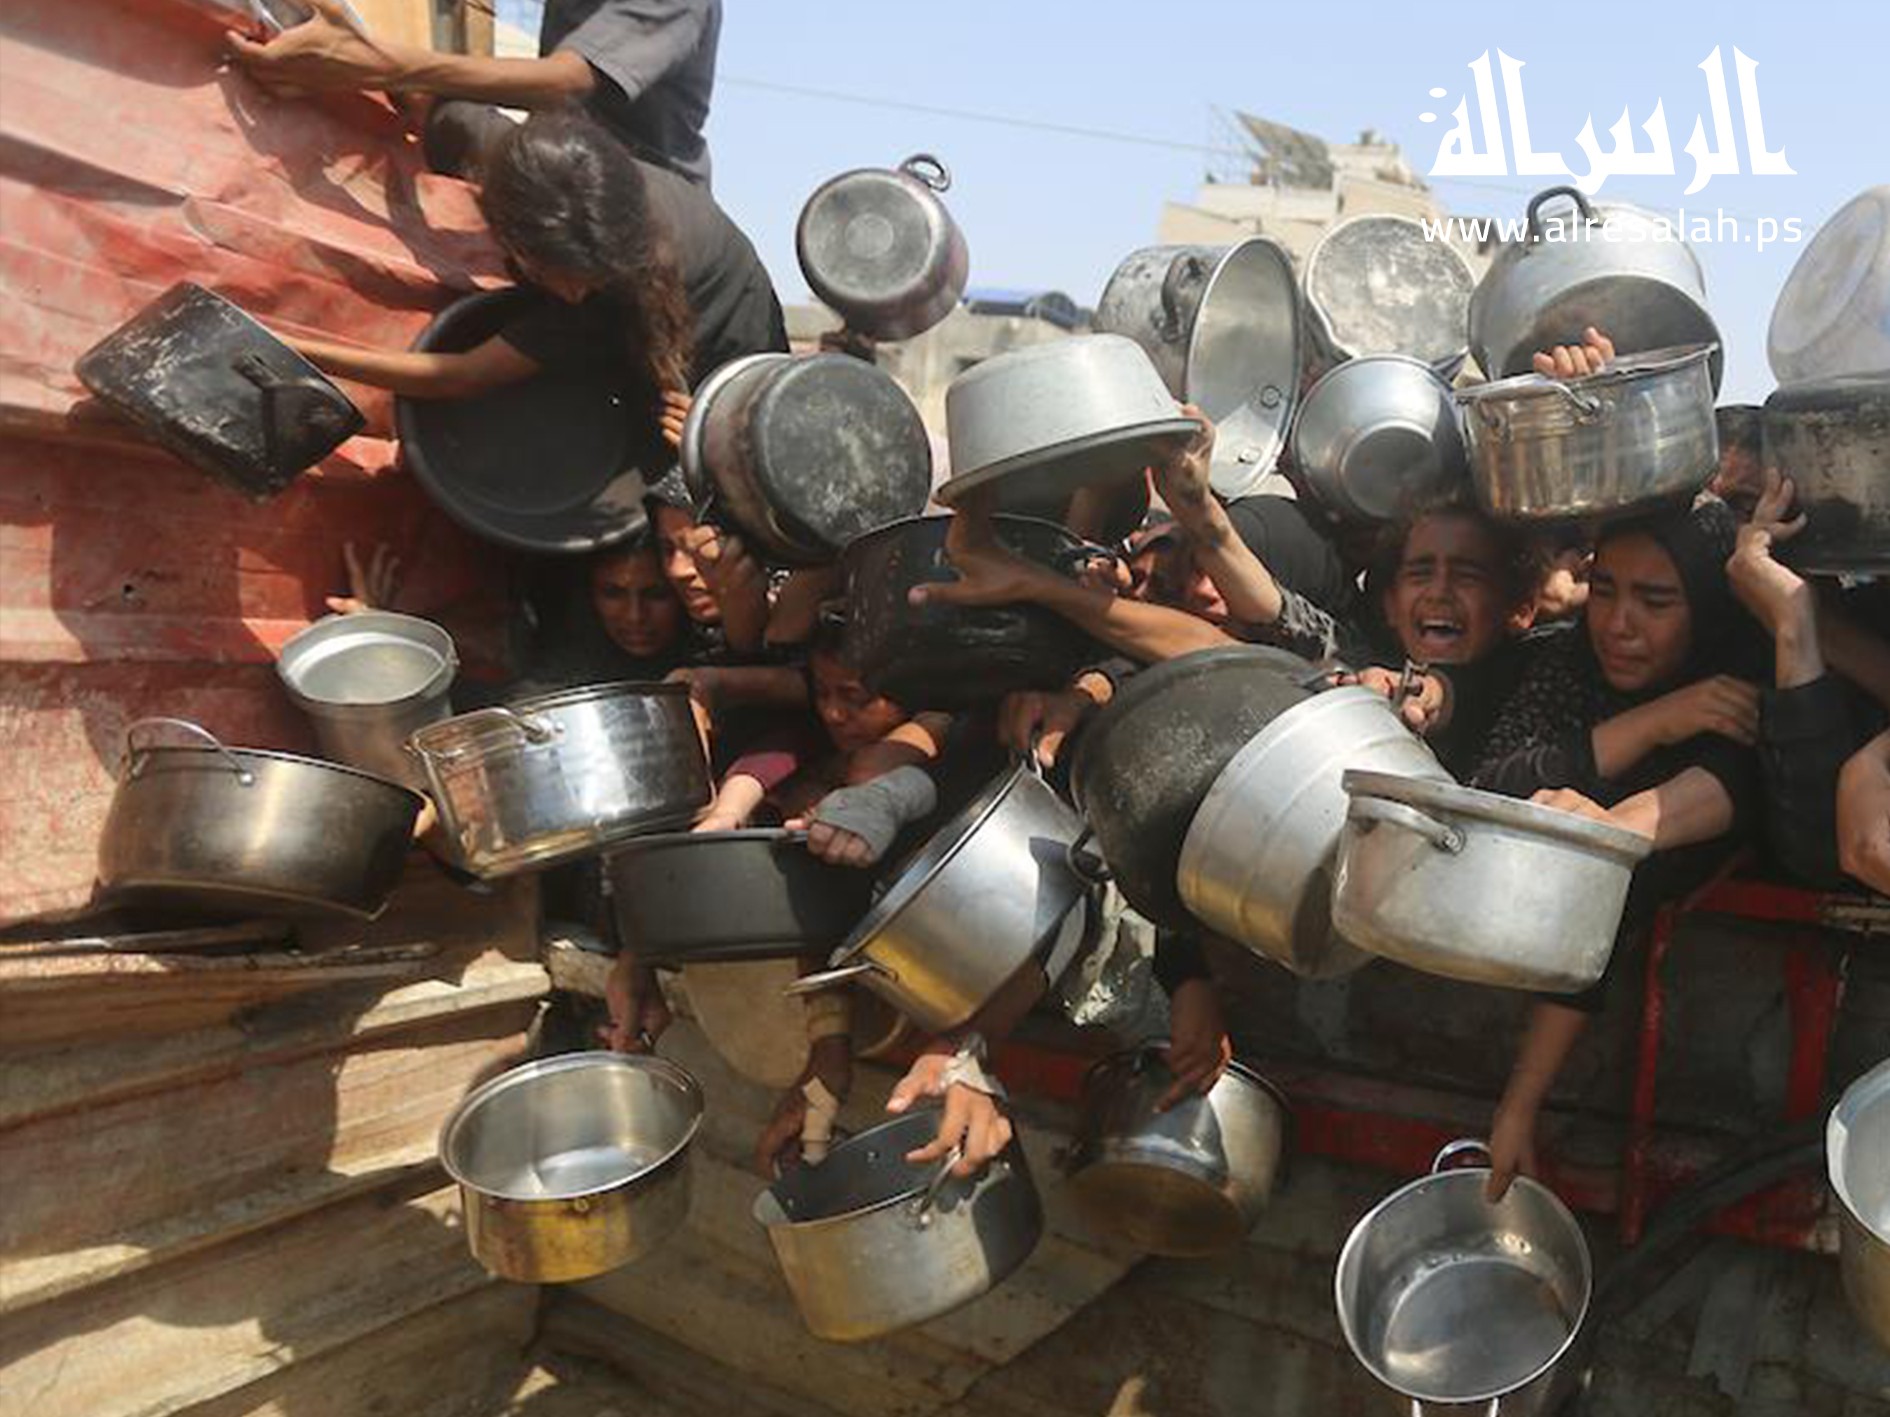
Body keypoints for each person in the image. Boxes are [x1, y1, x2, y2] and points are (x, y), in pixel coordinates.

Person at [1473, 499, 1766, 1201]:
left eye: (1655, 601)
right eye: (1603, 590)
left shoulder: (1746, 670)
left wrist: (1611, 827)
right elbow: (1495, 785)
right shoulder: (1568, 660)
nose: (1618, 623)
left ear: (1708, 604)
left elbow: (1737, 781)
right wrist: (1657, 721)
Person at [283, 108, 784, 423]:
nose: (573, 293)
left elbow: (458, 377)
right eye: (553, 275)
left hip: (728, 357)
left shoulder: (616, 286)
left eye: (582, 281)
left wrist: (299, 350)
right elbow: (423, 99)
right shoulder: (511, 156)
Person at [228, 0, 722, 187]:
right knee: (439, 110)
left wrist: (379, 65)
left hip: (642, 198)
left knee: (447, 112)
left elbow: (566, 83)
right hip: (561, 169)